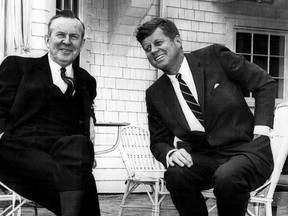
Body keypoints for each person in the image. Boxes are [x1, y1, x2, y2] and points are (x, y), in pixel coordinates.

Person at [136, 17, 276, 216]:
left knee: (227, 177)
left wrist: (261, 131)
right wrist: (170, 153)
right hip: (207, 158)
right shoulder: (155, 94)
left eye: (158, 43)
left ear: (177, 41)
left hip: (246, 151)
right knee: (175, 174)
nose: (153, 50)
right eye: (147, 48)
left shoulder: (214, 56)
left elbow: (264, 82)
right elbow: (159, 141)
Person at [0, 10, 101, 216]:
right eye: (60, 35)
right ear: (48, 40)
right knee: (80, 179)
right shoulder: (18, 67)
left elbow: (84, 122)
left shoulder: (86, 81)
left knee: (79, 146)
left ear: (82, 43)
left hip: (63, 152)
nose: (66, 41)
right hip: (18, 150)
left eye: (74, 37)